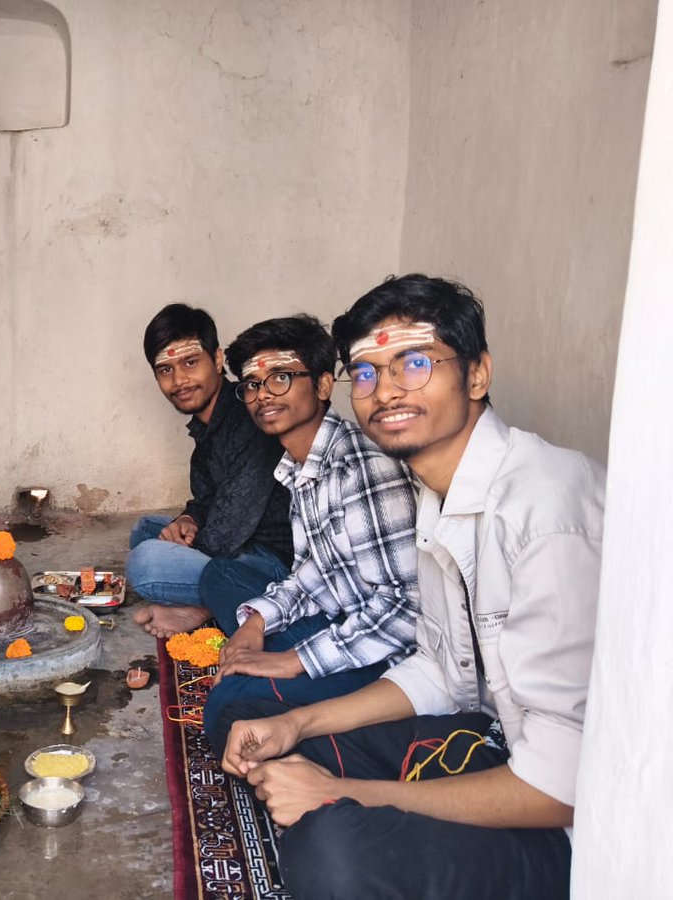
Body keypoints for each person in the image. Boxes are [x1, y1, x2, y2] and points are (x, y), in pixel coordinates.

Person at [219, 275, 603, 900]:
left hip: (575, 835)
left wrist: (348, 794)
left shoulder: (546, 509)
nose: (386, 389)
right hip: (491, 737)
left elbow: (560, 787)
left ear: (477, 375)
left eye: (415, 362)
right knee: (262, 728)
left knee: (332, 851)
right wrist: (299, 722)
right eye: (366, 372)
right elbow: (439, 671)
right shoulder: (439, 497)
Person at [200, 315, 419, 754]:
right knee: (217, 578)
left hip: (388, 659)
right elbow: (313, 573)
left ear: (322, 386)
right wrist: (257, 622)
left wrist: (294, 660)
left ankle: (347, 733)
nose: (262, 395)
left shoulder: (362, 466)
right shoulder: (298, 468)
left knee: (229, 705)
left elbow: (406, 614)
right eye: (252, 384)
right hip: (339, 618)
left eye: (280, 377)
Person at [129, 303, 295, 638]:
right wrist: (188, 520)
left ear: (217, 360)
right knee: (146, 529)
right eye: (165, 370)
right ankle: (212, 602)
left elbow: (226, 532)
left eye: (190, 363)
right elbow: (208, 499)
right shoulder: (207, 427)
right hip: (240, 542)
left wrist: (188, 542)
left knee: (145, 564)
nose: (179, 380)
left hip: (274, 561)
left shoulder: (248, 417)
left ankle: (210, 605)